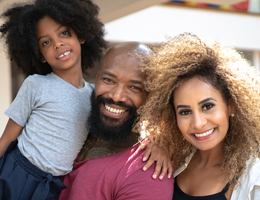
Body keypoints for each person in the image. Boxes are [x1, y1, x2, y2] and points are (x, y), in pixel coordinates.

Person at [0, 0, 106, 199]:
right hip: (17, 172)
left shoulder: (95, 95)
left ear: (81, 35)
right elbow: (6, 139)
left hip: (52, 186)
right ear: (40, 55)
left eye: (64, 33)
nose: (58, 43)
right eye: (46, 42)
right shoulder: (36, 85)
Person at [135, 33, 260, 199]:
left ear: (232, 106)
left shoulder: (254, 177)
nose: (198, 123)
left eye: (207, 107)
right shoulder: (173, 160)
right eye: (185, 112)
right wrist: (159, 142)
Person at [58, 42, 175, 200]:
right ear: (97, 79)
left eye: (134, 87)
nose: (117, 96)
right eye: (109, 80)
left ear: (150, 96)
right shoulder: (69, 121)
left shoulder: (148, 173)